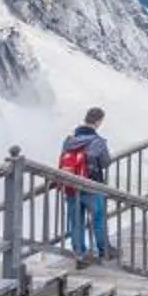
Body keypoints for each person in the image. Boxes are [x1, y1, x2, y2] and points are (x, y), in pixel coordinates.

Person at [58, 108, 112, 261]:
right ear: (99, 121)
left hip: (72, 186)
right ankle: (103, 250)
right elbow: (105, 162)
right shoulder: (97, 141)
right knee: (98, 219)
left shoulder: (69, 140)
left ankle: (79, 252)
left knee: (76, 221)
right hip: (92, 186)